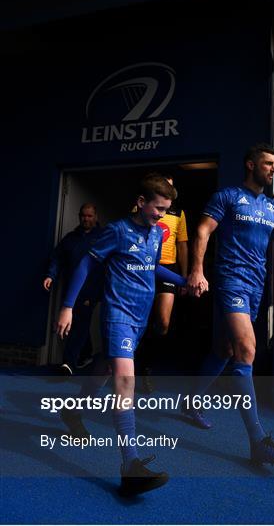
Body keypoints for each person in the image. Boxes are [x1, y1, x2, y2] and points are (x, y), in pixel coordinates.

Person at [186, 142, 274, 464]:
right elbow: (203, 230)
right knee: (246, 349)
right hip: (230, 280)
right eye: (267, 163)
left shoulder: (272, 208)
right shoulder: (227, 197)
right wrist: (196, 270)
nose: (273, 169)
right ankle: (258, 440)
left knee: (225, 349)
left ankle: (192, 402)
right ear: (251, 165)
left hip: (255, 287)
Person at [56, 175, 186, 496]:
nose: (161, 215)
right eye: (158, 208)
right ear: (141, 202)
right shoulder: (116, 231)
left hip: (140, 319)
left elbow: (152, 267)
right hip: (117, 314)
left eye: (167, 210)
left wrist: (185, 281)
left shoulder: (156, 235)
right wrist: (68, 307)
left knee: (104, 367)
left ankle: (72, 409)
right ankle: (131, 465)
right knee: (125, 381)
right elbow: (86, 265)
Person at [136, 172, 188, 392]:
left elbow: (183, 244)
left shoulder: (178, 213)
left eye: (172, 186)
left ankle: (147, 365)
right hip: (144, 267)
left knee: (163, 323)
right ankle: (132, 364)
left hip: (168, 267)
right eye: (165, 184)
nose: (169, 188)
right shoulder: (143, 209)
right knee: (140, 320)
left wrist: (184, 278)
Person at [43, 203, 103, 375]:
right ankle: (86, 354)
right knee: (75, 323)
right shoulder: (71, 238)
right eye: (83, 215)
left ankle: (68, 363)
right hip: (70, 290)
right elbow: (57, 258)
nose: (86, 219)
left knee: (79, 323)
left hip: (90, 290)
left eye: (90, 216)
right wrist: (50, 276)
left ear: (96, 217)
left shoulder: (103, 237)